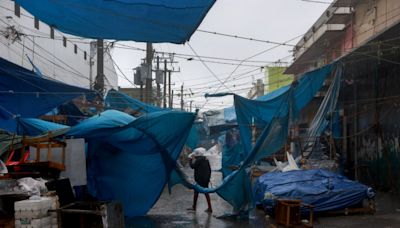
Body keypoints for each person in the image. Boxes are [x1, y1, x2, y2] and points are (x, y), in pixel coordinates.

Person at [188, 148, 212, 213]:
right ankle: (210, 207)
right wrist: (208, 178)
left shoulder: (199, 160)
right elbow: (209, 170)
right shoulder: (206, 159)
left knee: (196, 192)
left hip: (199, 179)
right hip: (205, 179)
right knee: (206, 192)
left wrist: (190, 160)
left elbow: (192, 166)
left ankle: (194, 207)